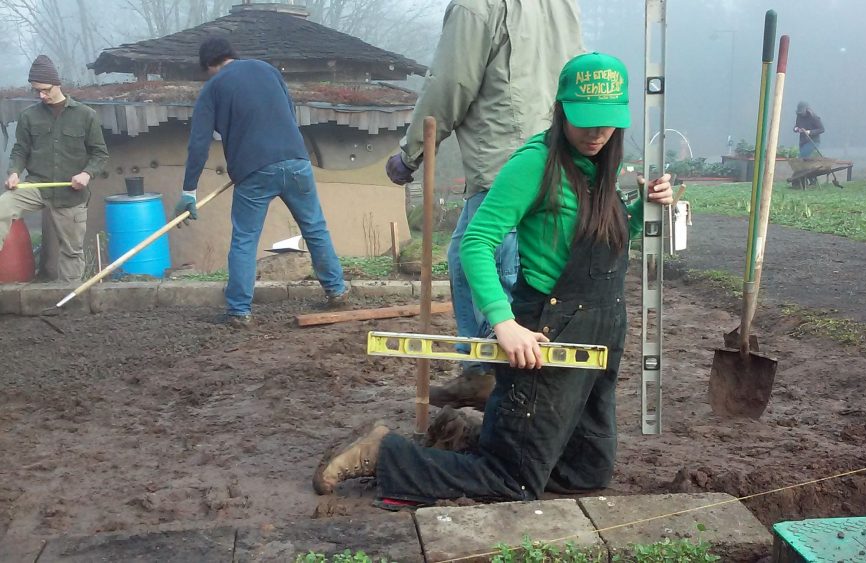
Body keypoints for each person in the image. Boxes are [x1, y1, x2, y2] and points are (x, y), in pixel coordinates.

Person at [314, 53, 675, 508]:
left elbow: (608, 242)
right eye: (585, 121)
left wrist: (645, 209)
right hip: (546, 331)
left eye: (606, 123)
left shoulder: (601, 168)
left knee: (587, 472)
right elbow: (476, 243)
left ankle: (473, 434)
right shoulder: (535, 164)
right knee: (514, 482)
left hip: (600, 336)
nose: (597, 133)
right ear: (561, 109)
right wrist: (503, 321)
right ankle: (387, 453)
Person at [384, 0, 584, 410]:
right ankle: (491, 375)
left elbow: (450, 86)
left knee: (490, 264)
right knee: (498, 264)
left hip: (505, 159)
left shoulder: (477, 5)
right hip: (557, 156)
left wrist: (412, 152)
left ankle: (496, 379)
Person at [177, 37, 350, 328]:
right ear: (232, 55)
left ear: (209, 65)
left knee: (245, 239)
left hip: (254, 171)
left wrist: (188, 190)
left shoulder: (213, 88)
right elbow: (288, 111)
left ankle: (239, 311)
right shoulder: (267, 70)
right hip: (296, 160)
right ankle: (336, 290)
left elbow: (199, 143)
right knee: (315, 227)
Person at [1, 55, 109, 282]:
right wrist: (13, 172)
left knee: (71, 251)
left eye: (45, 89)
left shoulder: (85, 115)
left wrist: (86, 174)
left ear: (56, 83)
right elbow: (20, 150)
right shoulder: (29, 116)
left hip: (71, 194)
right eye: (36, 91)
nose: (41, 95)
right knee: (3, 205)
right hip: (36, 185)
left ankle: (70, 300)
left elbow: (100, 154)